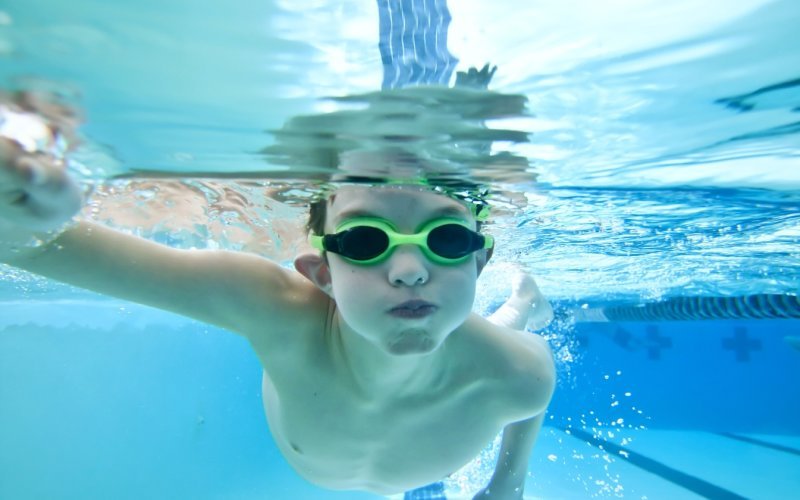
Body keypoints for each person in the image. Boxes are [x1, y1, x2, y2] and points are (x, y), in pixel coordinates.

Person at [0, 106, 555, 499]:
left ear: (478, 261)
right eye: (365, 241)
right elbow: (32, 247)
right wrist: (28, 222)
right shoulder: (276, 308)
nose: (410, 271)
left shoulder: (522, 373)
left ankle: (523, 301)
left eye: (448, 239)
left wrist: (508, 484)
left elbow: (532, 387)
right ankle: (521, 300)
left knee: (501, 333)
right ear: (322, 274)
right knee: (479, 330)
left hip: (453, 389)